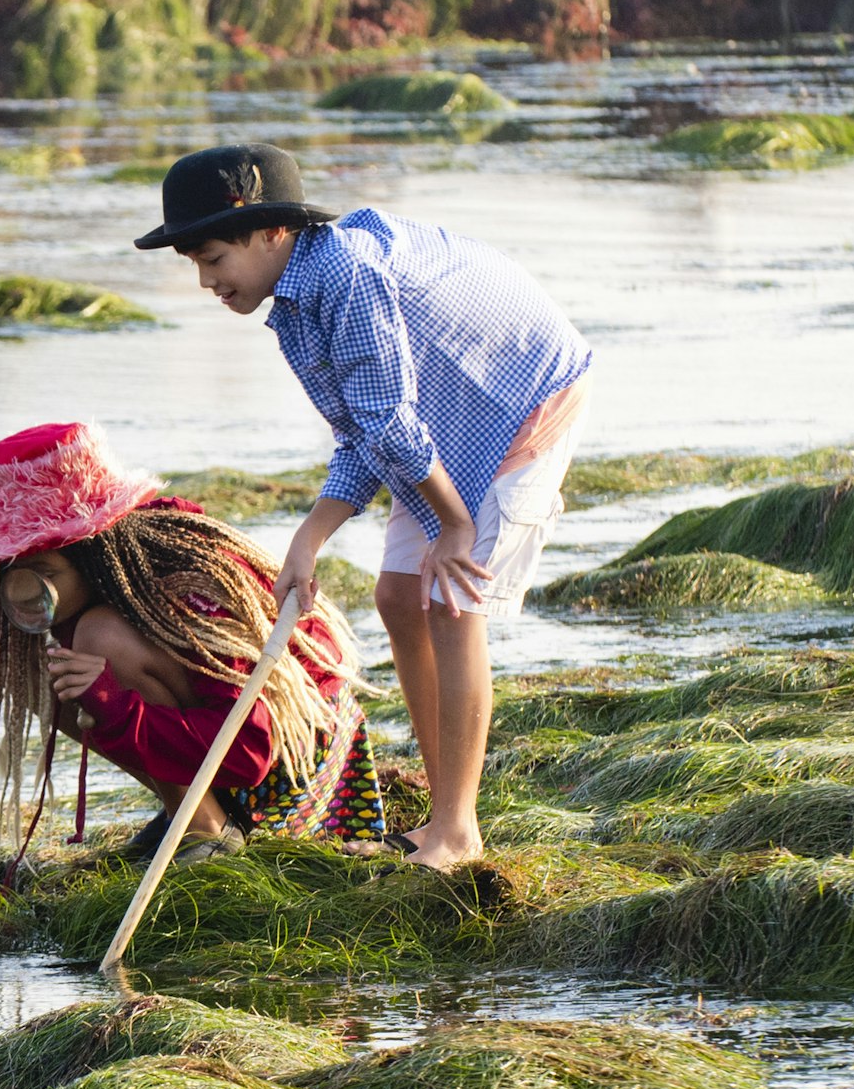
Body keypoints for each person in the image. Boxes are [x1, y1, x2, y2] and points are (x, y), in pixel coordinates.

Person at [137, 143, 591, 872]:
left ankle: (457, 830)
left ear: (270, 231)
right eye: (193, 262)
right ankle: (446, 808)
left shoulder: (345, 272)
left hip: (523, 396)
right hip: (440, 420)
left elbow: (389, 425)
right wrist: (308, 541)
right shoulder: (292, 306)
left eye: (213, 256)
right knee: (397, 596)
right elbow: (364, 432)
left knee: (450, 601)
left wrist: (456, 524)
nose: (204, 280)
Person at [0, 421, 390, 871]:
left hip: (297, 765)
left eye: (42, 564)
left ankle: (204, 830)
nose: (22, 587)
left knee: (96, 639)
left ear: (94, 547)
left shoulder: (189, 585)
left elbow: (248, 752)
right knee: (31, 658)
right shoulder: (21, 585)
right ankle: (194, 815)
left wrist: (114, 705)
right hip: (214, 756)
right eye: (12, 563)